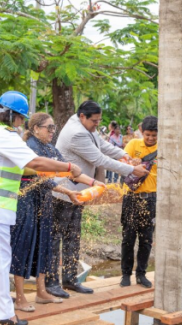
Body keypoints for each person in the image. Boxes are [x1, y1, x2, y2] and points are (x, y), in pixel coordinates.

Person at [0, 91, 84, 325]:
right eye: (20, 118)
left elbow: (27, 169)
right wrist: (69, 167)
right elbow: (34, 163)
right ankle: (6, 315)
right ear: (13, 116)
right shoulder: (6, 137)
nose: (21, 122)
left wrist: (59, 171)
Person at [47, 101, 148, 298]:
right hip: (64, 193)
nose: (97, 124)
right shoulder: (76, 133)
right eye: (94, 121)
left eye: (99, 121)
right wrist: (131, 169)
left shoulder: (86, 127)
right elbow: (99, 159)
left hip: (78, 193)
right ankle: (52, 282)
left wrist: (124, 155)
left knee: (73, 238)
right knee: (56, 239)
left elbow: (102, 145)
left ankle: (69, 279)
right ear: (83, 117)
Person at [11, 112, 102, 312]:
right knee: (24, 246)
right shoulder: (30, 148)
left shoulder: (51, 148)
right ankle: (19, 298)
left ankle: (41, 292)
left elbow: (71, 172)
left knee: (44, 244)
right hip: (27, 202)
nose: (53, 131)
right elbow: (42, 180)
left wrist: (96, 183)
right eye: (48, 128)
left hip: (45, 202)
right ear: (35, 128)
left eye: (54, 128)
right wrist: (67, 191)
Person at [120, 116, 158, 288]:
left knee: (146, 239)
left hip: (151, 199)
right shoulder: (134, 144)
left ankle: (141, 274)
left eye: (154, 136)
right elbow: (121, 160)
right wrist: (130, 161)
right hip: (131, 198)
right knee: (128, 237)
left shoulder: (164, 149)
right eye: (148, 135)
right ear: (142, 132)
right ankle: (125, 274)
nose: (150, 139)